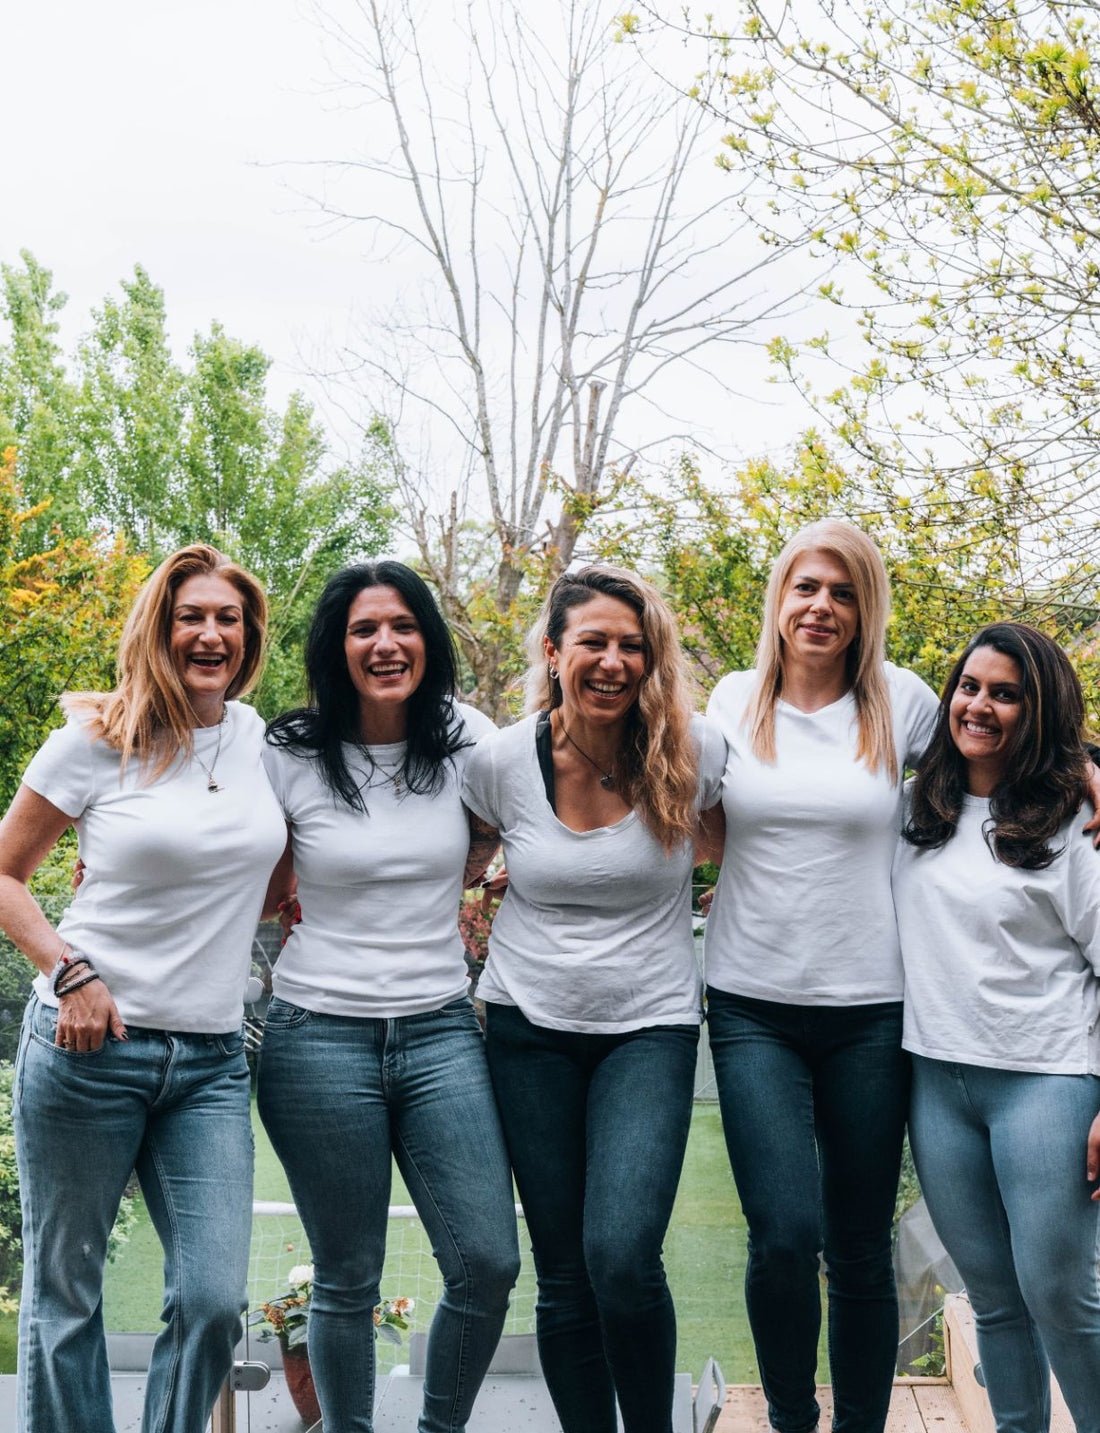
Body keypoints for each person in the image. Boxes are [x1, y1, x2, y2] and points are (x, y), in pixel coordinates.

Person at [0, 544, 286, 1433]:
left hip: (208, 1060)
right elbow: (5, 875)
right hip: (87, 1046)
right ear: (157, 630)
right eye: (189, 617)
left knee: (212, 1297)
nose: (210, 634)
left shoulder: (259, 742)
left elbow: (261, 862)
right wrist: (69, 971)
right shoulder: (90, 741)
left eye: (227, 619)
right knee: (66, 1294)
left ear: (249, 636)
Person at [460, 564, 727, 1433]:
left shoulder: (696, 749)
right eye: (593, 643)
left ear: (651, 659)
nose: (613, 661)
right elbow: (444, 855)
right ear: (553, 651)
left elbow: (772, 830)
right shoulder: (501, 760)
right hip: (526, 1028)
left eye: (631, 645)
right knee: (564, 1270)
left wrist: (1083, 772)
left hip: (648, 1028)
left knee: (620, 1253)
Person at [257, 560, 520, 1433]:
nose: (385, 643)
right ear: (338, 646)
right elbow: (240, 862)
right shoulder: (288, 750)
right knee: (346, 1275)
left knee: (486, 1261)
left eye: (403, 625)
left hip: (442, 1029)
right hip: (317, 1036)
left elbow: (509, 821)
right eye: (365, 628)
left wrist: (482, 866)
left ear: (428, 639)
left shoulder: (467, 737)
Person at [703, 520, 941, 1433]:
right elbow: (668, 794)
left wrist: (1086, 771)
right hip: (752, 1004)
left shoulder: (903, 702)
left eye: (843, 592)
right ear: (780, 598)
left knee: (859, 1246)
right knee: (783, 1236)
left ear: (865, 608)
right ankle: (794, 1418)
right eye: (806, 588)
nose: (822, 607)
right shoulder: (732, 699)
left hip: (872, 1010)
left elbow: (1009, 745)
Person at [893, 622, 1100, 1433]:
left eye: (1005, 692)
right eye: (969, 686)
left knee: (1060, 1292)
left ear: (1037, 707)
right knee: (992, 1297)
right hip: (938, 1083)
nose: (979, 705)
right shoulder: (920, 806)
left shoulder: (1075, 821)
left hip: (1046, 1083)